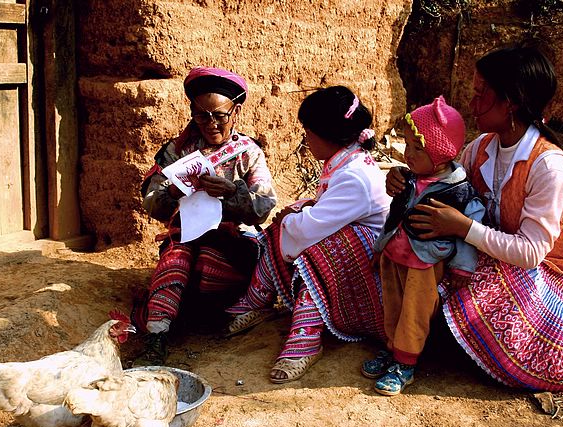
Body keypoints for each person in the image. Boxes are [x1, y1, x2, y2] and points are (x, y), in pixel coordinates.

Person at [388, 45, 563, 391]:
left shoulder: (548, 166)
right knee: (416, 268)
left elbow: (531, 254)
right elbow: (441, 182)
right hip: (492, 258)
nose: (472, 105)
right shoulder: (480, 148)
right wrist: (403, 179)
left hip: (551, 272)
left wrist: (463, 227)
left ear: (512, 102)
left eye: (480, 95)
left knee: (489, 309)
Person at [225, 86, 392, 384]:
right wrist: (296, 214)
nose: (306, 140)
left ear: (328, 135)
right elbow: (325, 212)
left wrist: (293, 218)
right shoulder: (345, 162)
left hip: (374, 268)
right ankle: (259, 298)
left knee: (314, 249)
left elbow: (311, 229)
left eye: (309, 132)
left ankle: (306, 336)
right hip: (364, 250)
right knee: (291, 222)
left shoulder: (354, 175)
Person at [134, 66, 277, 365]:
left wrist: (231, 192)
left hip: (233, 245)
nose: (211, 124)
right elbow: (151, 203)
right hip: (186, 237)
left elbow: (263, 206)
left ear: (235, 111)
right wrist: (172, 192)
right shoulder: (177, 151)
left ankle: (199, 313)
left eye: (220, 115)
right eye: (202, 116)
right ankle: (156, 337)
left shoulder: (248, 152)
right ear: (192, 114)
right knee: (177, 259)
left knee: (205, 264)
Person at [363, 96, 485, 395]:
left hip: (426, 262)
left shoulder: (458, 191)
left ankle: (406, 362)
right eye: (407, 145)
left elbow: (470, 226)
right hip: (395, 255)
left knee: (415, 311)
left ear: (441, 154)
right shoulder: (408, 179)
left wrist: (462, 267)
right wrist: (380, 247)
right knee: (391, 304)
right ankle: (392, 349)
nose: (408, 153)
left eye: (418, 148)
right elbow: (395, 215)